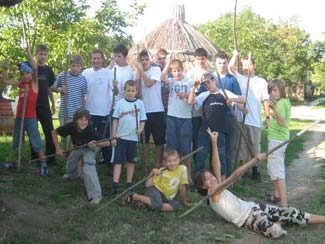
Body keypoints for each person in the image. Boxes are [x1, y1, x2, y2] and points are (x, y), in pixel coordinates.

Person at [195, 128, 325, 239]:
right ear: (203, 186)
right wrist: (254, 160)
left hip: (254, 208)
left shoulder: (218, 187)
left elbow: (216, 165)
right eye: (207, 179)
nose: (212, 178)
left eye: (211, 176)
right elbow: (234, 176)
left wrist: (214, 142)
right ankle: (279, 220)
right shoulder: (213, 194)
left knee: (291, 211)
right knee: (275, 232)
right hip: (248, 219)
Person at [1, 47, 49, 175]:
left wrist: (28, 52)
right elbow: (5, 80)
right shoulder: (20, 84)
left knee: (36, 141)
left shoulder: (34, 84)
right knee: (16, 141)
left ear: (30, 74)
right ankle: (12, 160)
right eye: (21, 73)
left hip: (30, 119)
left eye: (26, 73)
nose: (24, 76)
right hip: (19, 118)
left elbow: (35, 67)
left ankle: (43, 164)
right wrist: (5, 68)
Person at [188, 72, 244, 179]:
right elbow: (191, 101)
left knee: (220, 156)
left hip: (220, 131)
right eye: (205, 84)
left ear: (214, 81)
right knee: (201, 156)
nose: (208, 85)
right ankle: (200, 182)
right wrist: (194, 88)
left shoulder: (224, 92)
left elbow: (243, 99)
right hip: (205, 130)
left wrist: (232, 99)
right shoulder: (204, 95)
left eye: (209, 82)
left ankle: (221, 182)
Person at [51, 108, 110, 204]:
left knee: (88, 164)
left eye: (86, 120)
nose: (83, 122)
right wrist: (57, 149)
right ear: (75, 120)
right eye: (81, 120)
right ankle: (74, 175)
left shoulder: (90, 129)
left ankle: (96, 195)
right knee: (70, 167)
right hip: (77, 148)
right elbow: (54, 132)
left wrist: (95, 143)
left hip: (90, 149)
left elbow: (107, 143)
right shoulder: (70, 126)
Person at [229, 50, 270, 180]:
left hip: (254, 120)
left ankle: (254, 169)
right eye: (244, 65)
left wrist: (267, 117)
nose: (246, 68)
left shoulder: (261, 82)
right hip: (241, 119)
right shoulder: (240, 79)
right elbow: (230, 67)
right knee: (240, 146)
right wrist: (235, 55)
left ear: (254, 66)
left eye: (248, 65)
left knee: (254, 145)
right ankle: (243, 170)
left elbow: (265, 100)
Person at [121, 149, 192, 211]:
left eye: (174, 160)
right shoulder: (161, 171)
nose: (172, 163)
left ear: (179, 160)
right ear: (165, 163)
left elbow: (182, 187)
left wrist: (185, 201)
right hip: (154, 190)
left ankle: (147, 204)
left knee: (176, 205)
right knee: (157, 204)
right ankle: (134, 196)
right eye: (169, 161)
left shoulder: (183, 169)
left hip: (166, 197)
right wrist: (152, 173)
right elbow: (147, 185)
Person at [109, 80, 147, 197]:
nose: (130, 93)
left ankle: (129, 183)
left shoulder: (140, 103)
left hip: (133, 138)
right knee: (118, 161)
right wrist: (114, 136)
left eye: (133, 91)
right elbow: (115, 120)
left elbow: (143, 120)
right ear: (124, 91)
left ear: (136, 91)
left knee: (131, 161)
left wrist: (140, 129)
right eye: (128, 91)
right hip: (121, 137)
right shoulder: (120, 103)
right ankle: (115, 184)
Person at [161, 58, 194, 183]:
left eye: (179, 70)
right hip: (172, 117)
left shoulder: (189, 82)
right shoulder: (171, 81)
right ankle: (172, 176)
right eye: (174, 71)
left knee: (185, 149)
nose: (177, 73)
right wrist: (168, 62)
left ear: (182, 70)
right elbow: (162, 76)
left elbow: (193, 99)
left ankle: (187, 176)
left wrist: (185, 95)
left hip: (185, 117)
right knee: (171, 148)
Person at [82, 49, 113, 165]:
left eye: (98, 58)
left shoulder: (108, 73)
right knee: (88, 137)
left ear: (102, 59)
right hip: (88, 111)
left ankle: (108, 162)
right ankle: (87, 160)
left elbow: (115, 92)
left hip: (103, 112)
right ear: (90, 59)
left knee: (104, 138)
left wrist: (115, 86)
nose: (96, 60)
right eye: (93, 58)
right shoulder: (85, 72)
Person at [135, 50, 165, 170]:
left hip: (157, 109)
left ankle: (158, 163)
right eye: (142, 60)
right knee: (144, 139)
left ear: (150, 60)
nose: (144, 62)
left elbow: (148, 83)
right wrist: (138, 75)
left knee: (159, 140)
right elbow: (136, 92)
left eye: (146, 59)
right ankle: (146, 163)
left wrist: (141, 71)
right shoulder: (137, 73)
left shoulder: (156, 70)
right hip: (143, 110)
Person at [52, 54, 88, 146]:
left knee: (76, 137)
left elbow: (83, 97)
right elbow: (53, 87)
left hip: (77, 114)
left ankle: (73, 156)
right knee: (65, 137)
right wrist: (60, 90)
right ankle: (65, 157)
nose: (75, 68)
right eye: (73, 65)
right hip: (65, 112)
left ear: (81, 67)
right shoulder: (63, 76)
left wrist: (84, 112)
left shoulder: (83, 79)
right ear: (70, 65)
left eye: (78, 66)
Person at [266, 79, 291, 207]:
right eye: (271, 91)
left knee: (278, 172)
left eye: (275, 90)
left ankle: (284, 204)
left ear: (281, 89)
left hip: (278, 141)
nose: (273, 93)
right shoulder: (283, 102)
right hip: (277, 138)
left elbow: (281, 122)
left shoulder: (280, 103)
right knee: (273, 168)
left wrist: (273, 109)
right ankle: (276, 195)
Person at [186, 48, 214, 160]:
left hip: (210, 110)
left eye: (202, 59)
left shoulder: (212, 72)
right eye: (198, 59)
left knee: (212, 136)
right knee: (196, 137)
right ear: (195, 59)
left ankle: (212, 162)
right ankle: (198, 164)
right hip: (196, 111)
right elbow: (189, 91)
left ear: (206, 58)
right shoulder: (191, 73)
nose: (200, 61)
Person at [30, 44, 56, 165]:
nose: (43, 56)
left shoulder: (48, 70)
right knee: (33, 131)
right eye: (41, 54)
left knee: (49, 130)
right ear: (36, 54)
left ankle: (51, 156)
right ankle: (35, 157)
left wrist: (53, 103)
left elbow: (49, 88)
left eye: (45, 54)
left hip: (44, 105)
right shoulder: (31, 67)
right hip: (32, 105)